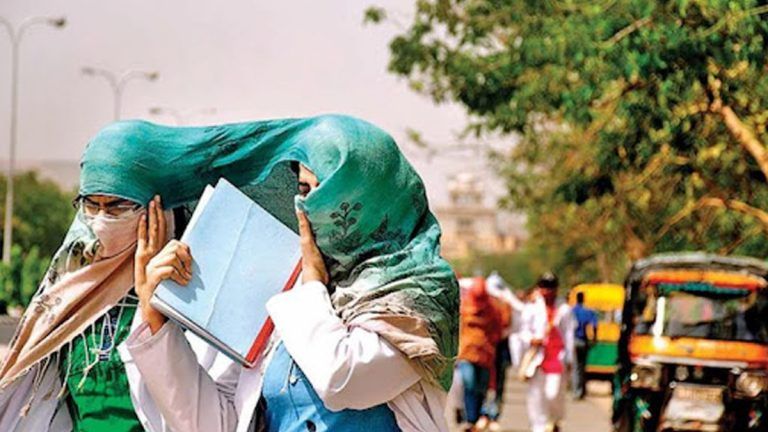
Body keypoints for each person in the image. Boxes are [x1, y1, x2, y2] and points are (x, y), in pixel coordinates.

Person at [110, 114, 458, 432]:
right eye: (304, 190)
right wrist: (156, 321)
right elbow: (218, 424)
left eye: (329, 191)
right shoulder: (292, 293)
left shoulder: (417, 294)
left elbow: (342, 380)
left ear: (370, 196)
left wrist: (310, 286)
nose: (309, 206)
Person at [0, 186, 179, 430]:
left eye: (117, 207)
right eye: (92, 205)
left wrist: (151, 301)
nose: (103, 219)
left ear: (155, 212)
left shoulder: (182, 297)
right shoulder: (72, 295)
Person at [455, 277, 510, 432]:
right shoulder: (463, 307)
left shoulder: (493, 309)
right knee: (469, 383)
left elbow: (500, 328)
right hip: (466, 353)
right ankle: (470, 418)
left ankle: (478, 417)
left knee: (481, 387)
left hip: (485, 354)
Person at [522, 273, 574, 432]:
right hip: (538, 358)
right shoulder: (531, 308)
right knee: (536, 395)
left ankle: (554, 420)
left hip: (557, 358)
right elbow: (523, 332)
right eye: (544, 287)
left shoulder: (564, 309)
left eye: (550, 287)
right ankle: (538, 425)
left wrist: (570, 359)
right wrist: (531, 339)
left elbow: (569, 335)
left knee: (553, 394)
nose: (547, 291)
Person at [570, 292, 597, 400]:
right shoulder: (588, 311)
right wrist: (594, 337)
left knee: (576, 367)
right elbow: (595, 325)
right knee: (582, 367)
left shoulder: (572, 311)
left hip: (574, 340)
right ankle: (582, 391)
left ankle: (576, 391)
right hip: (584, 341)